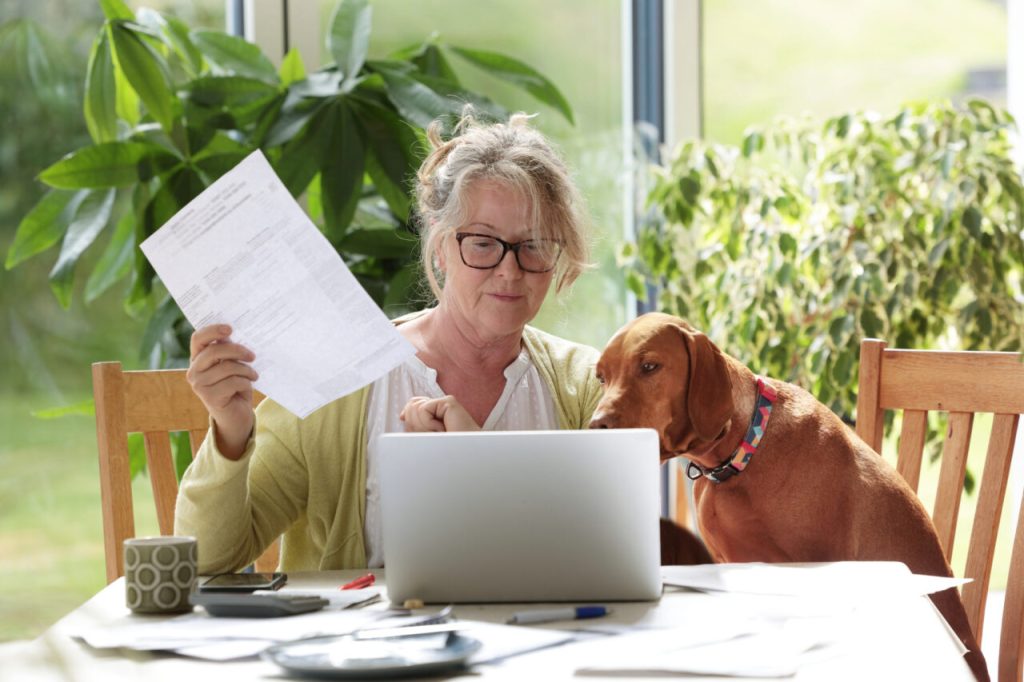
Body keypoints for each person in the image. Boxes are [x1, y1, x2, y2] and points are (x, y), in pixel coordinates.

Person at [174, 111, 603, 573]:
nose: (510, 270)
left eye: (534, 244)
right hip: (361, 644)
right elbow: (207, 560)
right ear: (440, 248)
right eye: (482, 243)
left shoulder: (587, 386)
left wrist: (479, 461)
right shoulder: (341, 380)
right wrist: (231, 433)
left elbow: (601, 557)